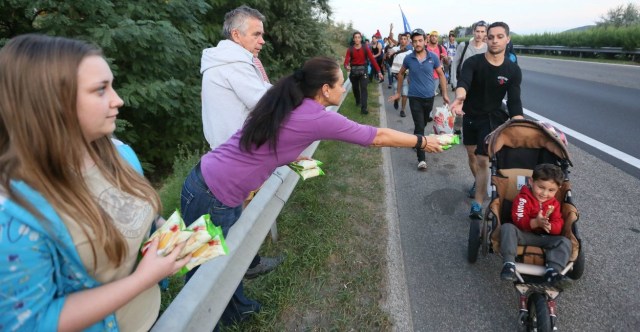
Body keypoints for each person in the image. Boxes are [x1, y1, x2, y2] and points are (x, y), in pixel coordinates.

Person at [181, 55, 442, 328]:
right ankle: (194, 323)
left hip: (215, 183)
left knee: (222, 260)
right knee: (202, 271)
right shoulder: (315, 117)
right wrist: (422, 140)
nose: (343, 88)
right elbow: (377, 137)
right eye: (340, 83)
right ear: (325, 90)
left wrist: (291, 158)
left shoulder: (290, 101)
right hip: (212, 192)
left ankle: (237, 313)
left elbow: (271, 141)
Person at [0, 34, 190, 331]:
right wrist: (144, 278)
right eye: (101, 90)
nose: (118, 100)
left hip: (155, 318)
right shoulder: (13, 212)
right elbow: (34, 322)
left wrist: (167, 232)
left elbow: (144, 213)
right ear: (51, 103)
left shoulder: (120, 154)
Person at [449, 22, 524, 219]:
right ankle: (480, 182)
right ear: (486, 38)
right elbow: (464, 82)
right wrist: (460, 97)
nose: (494, 40)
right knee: (472, 155)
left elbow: (515, 103)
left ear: (507, 39)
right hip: (470, 115)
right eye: (491, 37)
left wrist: (520, 124)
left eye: (500, 37)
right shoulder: (473, 62)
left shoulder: (513, 70)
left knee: (483, 160)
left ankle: (478, 203)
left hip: (492, 118)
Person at [200, 5, 272, 150]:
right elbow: (266, 103)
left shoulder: (223, 60)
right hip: (239, 154)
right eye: (256, 34)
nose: (262, 41)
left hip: (226, 151)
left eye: (262, 35)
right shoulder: (234, 64)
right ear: (236, 35)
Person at [388, 28, 450, 171]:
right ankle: (421, 159)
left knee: (423, 122)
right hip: (414, 97)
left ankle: (416, 141)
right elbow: (401, 73)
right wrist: (398, 93)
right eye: (415, 41)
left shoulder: (433, 57)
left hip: (430, 97)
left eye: (420, 40)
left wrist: (445, 94)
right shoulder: (408, 58)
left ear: (425, 41)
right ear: (412, 42)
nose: (417, 43)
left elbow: (441, 75)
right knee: (420, 126)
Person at [500, 164, 572, 286]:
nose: (544, 193)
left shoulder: (554, 204)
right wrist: (535, 223)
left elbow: (558, 223)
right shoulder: (523, 198)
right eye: (541, 187)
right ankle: (509, 264)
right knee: (507, 228)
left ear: (558, 189)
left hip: (544, 238)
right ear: (531, 181)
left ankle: (553, 271)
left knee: (564, 241)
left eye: (551, 190)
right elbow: (519, 219)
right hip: (523, 235)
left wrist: (550, 227)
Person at [344, 31, 384, 114]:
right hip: (354, 72)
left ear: (361, 38)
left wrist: (379, 71)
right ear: (353, 39)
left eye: (359, 37)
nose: (357, 39)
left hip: (364, 72)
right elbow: (346, 61)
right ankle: (358, 101)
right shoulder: (350, 49)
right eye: (355, 37)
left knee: (364, 89)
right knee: (355, 89)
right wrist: (346, 66)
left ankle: (364, 108)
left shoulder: (365, 48)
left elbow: (372, 60)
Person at [451, 20, 488, 91]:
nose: (479, 34)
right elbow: (454, 64)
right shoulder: (463, 46)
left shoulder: (487, 48)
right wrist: (454, 83)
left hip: (481, 86)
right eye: (477, 31)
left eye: (482, 32)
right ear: (473, 32)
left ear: (485, 33)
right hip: (463, 85)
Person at [389, 33, 412, 117]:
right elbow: (389, 53)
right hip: (396, 75)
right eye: (401, 39)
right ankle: (396, 100)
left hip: (406, 75)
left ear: (407, 41)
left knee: (405, 93)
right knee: (397, 93)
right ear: (399, 40)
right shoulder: (395, 49)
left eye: (405, 39)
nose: (403, 40)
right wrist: (389, 53)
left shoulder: (410, 52)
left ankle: (402, 110)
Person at [426, 30, 449, 95]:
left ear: (437, 38)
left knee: (431, 94)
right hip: (425, 74)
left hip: (436, 76)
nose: (434, 37)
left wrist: (445, 58)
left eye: (435, 36)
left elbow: (447, 63)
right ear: (429, 37)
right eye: (432, 36)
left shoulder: (441, 48)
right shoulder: (425, 48)